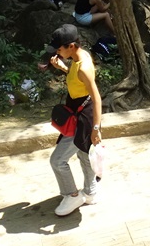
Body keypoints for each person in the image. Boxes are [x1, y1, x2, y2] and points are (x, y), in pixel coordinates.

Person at [45, 25, 102, 217]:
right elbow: (78, 81)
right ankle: (91, 191)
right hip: (80, 113)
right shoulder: (80, 56)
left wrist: (96, 128)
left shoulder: (83, 68)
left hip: (81, 119)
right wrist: (63, 68)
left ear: (71, 46)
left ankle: (72, 195)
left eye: (59, 49)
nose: (57, 52)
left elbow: (96, 98)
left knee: (57, 160)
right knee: (84, 155)